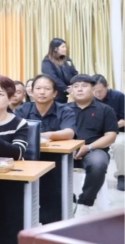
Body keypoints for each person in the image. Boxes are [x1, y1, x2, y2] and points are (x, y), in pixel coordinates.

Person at [67, 75, 118, 213]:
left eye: (84, 86)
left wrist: (88, 147)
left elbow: (111, 137)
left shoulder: (105, 109)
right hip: (66, 151)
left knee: (98, 164)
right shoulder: (64, 109)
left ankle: (85, 202)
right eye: (76, 86)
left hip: (94, 149)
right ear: (71, 90)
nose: (79, 89)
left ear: (93, 89)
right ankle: (64, 201)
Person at [16, 75, 76, 142]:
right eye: (38, 88)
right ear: (32, 92)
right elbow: (15, 130)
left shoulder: (65, 110)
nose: (42, 92)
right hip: (29, 148)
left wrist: (44, 136)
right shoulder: (22, 109)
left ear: (55, 93)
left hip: (58, 148)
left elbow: (69, 133)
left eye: (47, 89)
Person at [91, 75, 125, 191]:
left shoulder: (119, 97)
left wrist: (110, 127)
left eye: (100, 91)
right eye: (94, 91)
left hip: (117, 132)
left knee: (119, 145)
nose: (97, 94)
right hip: (97, 133)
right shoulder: (90, 99)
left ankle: (122, 176)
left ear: (107, 87)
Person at [41, 38, 78, 103]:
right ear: (55, 49)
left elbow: (75, 73)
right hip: (57, 94)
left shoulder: (67, 59)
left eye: (65, 47)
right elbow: (53, 77)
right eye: (63, 47)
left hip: (71, 93)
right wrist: (66, 88)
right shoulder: (47, 61)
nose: (65, 49)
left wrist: (75, 85)